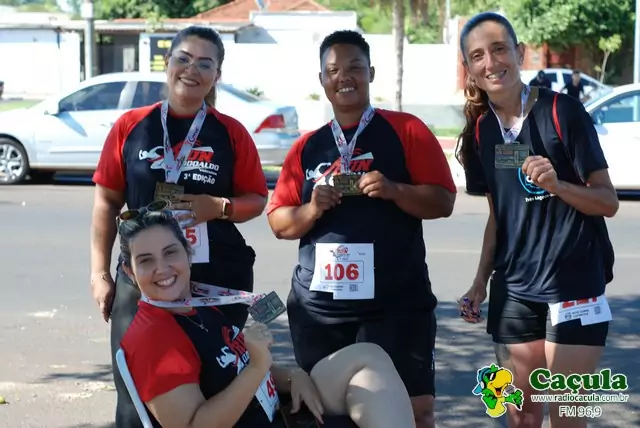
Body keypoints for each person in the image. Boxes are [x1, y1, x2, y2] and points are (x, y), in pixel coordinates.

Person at [267, 30, 457, 428]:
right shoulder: (307, 146)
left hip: (396, 303)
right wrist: (312, 209)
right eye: (333, 70)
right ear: (322, 80)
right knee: (327, 413)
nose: (344, 77)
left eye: (354, 67)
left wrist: (395, 190)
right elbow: (279, 223)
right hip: (322, 310)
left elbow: (443, 202)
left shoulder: (406, 130)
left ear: (370, 72)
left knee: (416, 410)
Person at [90, 26, 269, 428]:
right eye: (183, 59)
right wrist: (99, 273)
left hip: (214, 277)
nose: (192, 69)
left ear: (217, 75)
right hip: (144, 278)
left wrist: (219, 207)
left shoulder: (231, 133)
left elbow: (257, 199)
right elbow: (106, 202)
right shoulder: (131, 126)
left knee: (217, 380)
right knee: (136, 390)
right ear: (167, 63)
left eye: (205, 64)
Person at [455, 12, 618, 428]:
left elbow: (608, 201)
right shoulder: (481, 130)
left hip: (575, 285)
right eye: (478, 55)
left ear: (519, 53)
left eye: (499, 49)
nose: (491, 62)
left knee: (568, 417)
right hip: (514, 290)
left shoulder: (563, 111)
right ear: (469, 68)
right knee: (522, 417)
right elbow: (498, 216)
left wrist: (558, 184)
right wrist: (479, 282)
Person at [118, 207, 417, 428]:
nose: (162, 268)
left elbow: (238, 364)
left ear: (188, 253)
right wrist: (257, 367)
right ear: (130, 272)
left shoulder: (195, 304)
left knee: (367, 357)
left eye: (170, 252)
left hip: (275, 411)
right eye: (146, 260)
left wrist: (293, 376)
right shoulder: (153, 337)